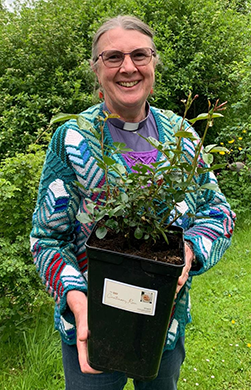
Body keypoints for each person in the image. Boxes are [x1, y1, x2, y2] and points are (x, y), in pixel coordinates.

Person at [30, 15, 236, 390]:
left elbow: (217, 212)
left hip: (162, 324)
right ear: (96, 69)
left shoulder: (182, 138)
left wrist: (189, 251)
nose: (128, 67)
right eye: (113, 57)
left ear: (154, 63)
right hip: (91, 327)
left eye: (140, 55)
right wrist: (77, 300)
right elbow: (46, 238)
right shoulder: (73, 139)